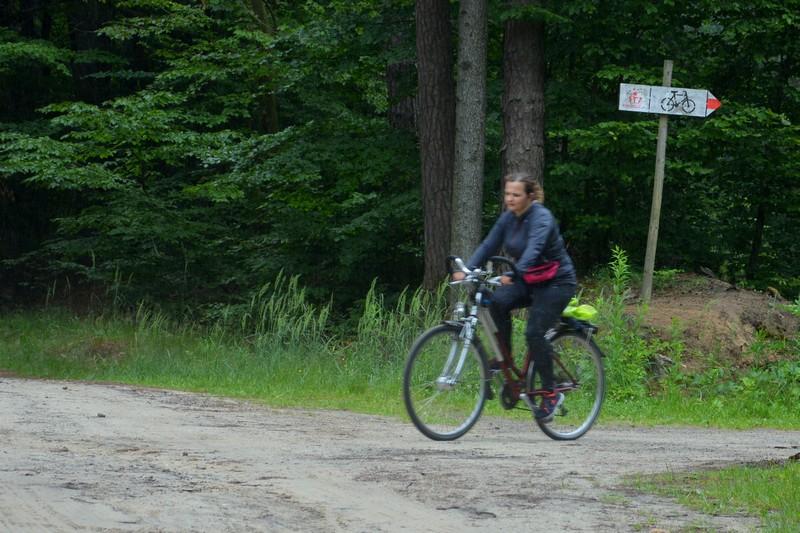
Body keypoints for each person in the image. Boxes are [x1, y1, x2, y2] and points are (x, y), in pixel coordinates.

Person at [451, 172, 577, 422]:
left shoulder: (541, 217)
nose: (510, 199)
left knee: (533, 332)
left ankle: (550, 393)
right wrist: (467, 269)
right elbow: (488, 245)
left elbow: (534, 250)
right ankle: (504, 359)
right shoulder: (508, 218)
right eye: (507, 193)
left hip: (557, 282)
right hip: (530, 279)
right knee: (496, 302)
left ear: (530, 196)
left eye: (516, 195)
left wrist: (516, 272)